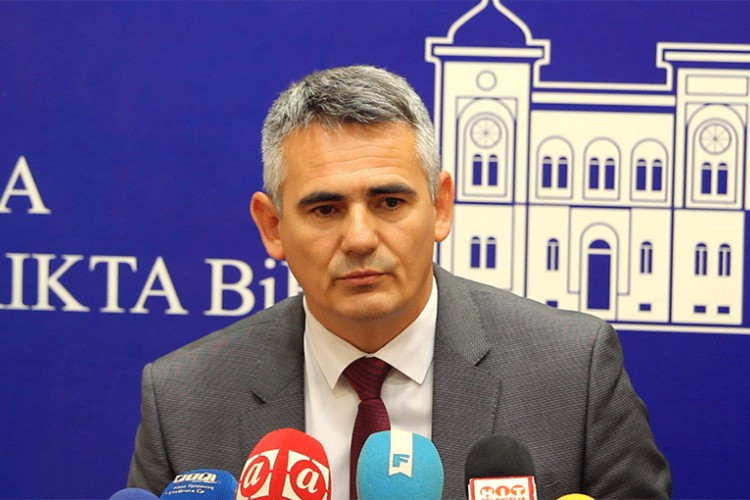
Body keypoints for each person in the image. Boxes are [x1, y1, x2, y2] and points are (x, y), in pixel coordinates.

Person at [127, 65, 671, 499]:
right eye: (325, 209)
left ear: (441, 207)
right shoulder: (185, 399)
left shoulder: (572, 371)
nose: (360, 238)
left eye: (389, 202)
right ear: (273, 227)